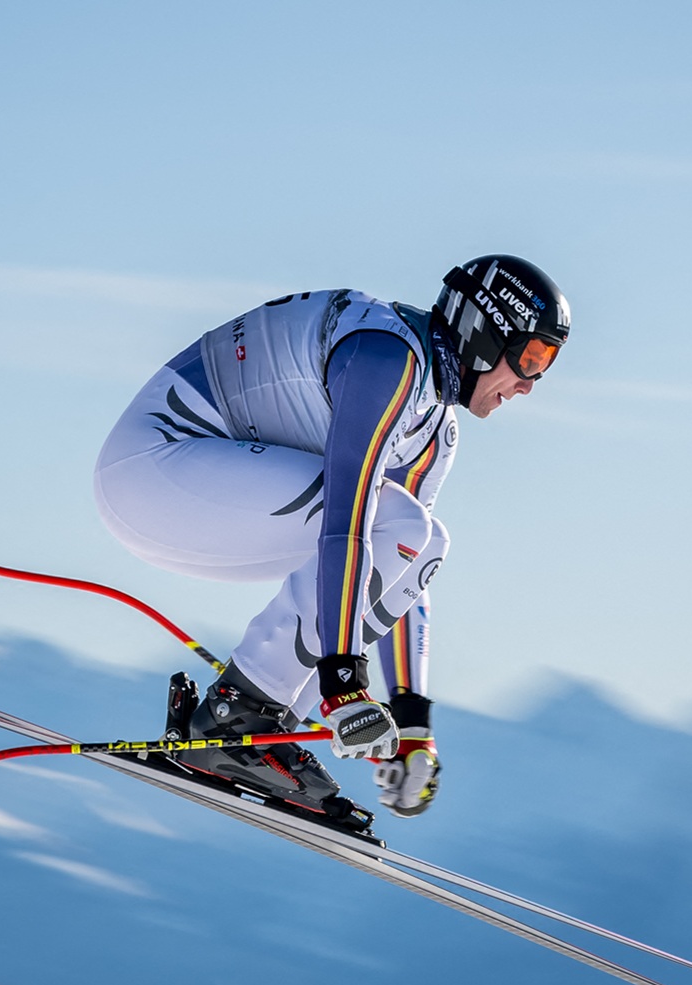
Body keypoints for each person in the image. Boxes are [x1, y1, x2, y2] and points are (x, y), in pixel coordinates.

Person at [93, 255, 570, 833]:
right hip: (156, 468)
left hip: (199, 497)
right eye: (531, 357)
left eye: (546, 366)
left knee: (424, 542)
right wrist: (343, 680)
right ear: (481, 330)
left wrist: (413, 722)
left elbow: (401, 563)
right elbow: (348, 517)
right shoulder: (386, 357)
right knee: (396, 524)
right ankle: (235, 718)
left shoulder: (434, 428)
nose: (529, 385)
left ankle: (265, 728)